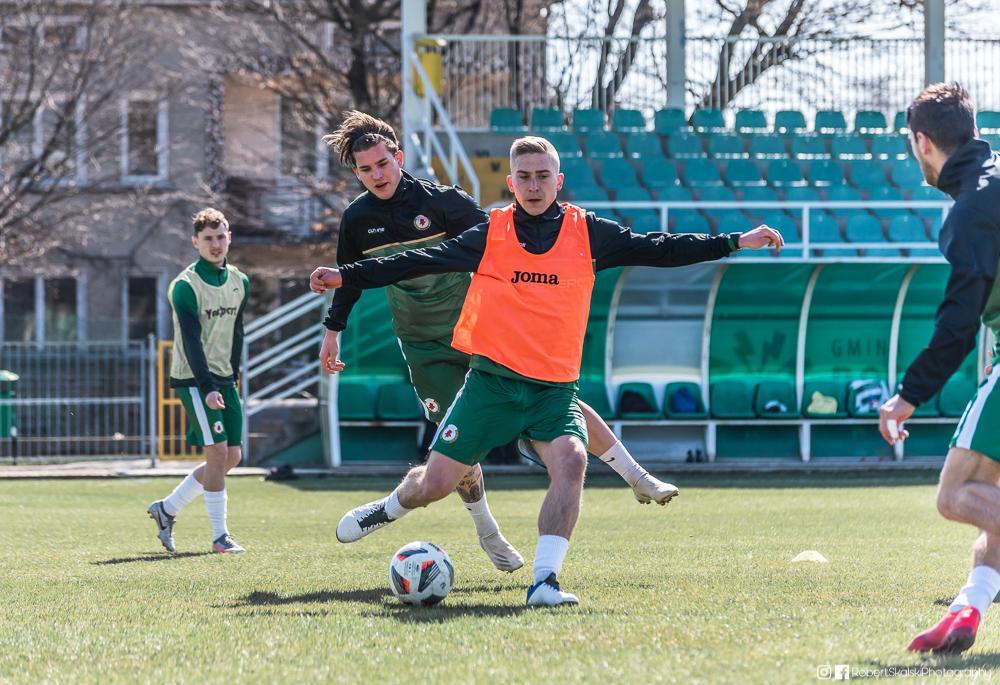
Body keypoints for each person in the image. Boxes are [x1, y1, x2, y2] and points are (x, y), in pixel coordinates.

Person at [312, 136, 782, 605]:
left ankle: (544, 583)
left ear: (558, 181)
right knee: (432, 486)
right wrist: (345, 276)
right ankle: (391, 506)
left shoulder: (587, 230)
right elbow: (417, 260)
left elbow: (656, 247)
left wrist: (734, 241)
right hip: (491, 385)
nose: (533, 185)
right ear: (511, 183)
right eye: (524, 177)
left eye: (542, 176)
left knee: (572, 461)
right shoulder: (489, 233)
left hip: (552, 389)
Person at [317, 112, 684, 573]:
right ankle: (487, 530)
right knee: (455, 456)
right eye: (366, 170)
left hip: (480, 332)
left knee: (554, 394)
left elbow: (507, 236)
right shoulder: (356, 220)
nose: (378, 175)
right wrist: (334, 331)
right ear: (356, 174)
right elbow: (352, 280)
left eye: (383, 164)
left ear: (399, 158)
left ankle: (636, 474)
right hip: (422, 344)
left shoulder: (446, 202)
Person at [876, 83, 1000, 654]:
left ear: (922, 142)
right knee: (989, 498)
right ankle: (969, 608)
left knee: (956, 494)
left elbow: (959, 322)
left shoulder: (973, 207)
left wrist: (908, 393)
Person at [148, 208, 249, 554]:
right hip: (194, 379)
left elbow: (237, 332)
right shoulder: (185, 286)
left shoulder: (240, 281)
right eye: (208, 238)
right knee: (217, 452)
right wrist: (206, 387)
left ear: (229, 237)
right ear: (195, 242)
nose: (216, 244)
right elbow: (191, 342)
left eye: (221, 236)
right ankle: (220, 537)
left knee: (232, 456)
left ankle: (167, 509)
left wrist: (232, 375)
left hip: (224, 379)